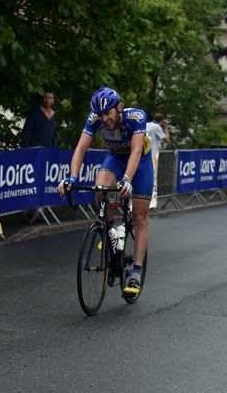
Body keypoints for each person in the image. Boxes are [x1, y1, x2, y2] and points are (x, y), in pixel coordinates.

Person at [58, 87, 153, 296]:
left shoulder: (136, 117)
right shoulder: (95, 119)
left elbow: (136, 150)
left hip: (140, 163)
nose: (104, 119)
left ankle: (136, 273)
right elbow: (81, 148)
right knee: (99, 189)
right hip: (116, 159)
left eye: (108, 113)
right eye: (100, 115)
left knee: (139, 217)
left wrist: (127, 180)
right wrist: (71, 178)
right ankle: (110, 232)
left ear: (118, 108)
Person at [146, 113, 170, 207]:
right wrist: (166, 128)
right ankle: (152, 202)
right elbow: (167, 139)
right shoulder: (157, 127)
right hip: (153, 155)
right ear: (162, 121)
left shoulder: (147, 124)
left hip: (144, 155)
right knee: (153, 178)